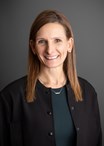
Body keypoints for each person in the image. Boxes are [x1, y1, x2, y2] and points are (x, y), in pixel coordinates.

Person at [0, 9, 102, 146]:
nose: (50, 50)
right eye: (42, 41)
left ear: (69, 44)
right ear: (33, 47)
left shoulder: (88, 92)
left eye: (57, 40)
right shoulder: (10, 97)